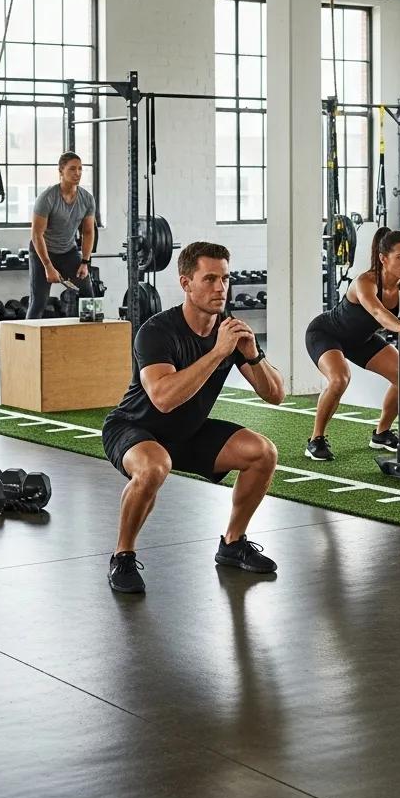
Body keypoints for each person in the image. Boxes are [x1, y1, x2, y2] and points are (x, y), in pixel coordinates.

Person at [101, 241, 286, 594]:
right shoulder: (156, 331)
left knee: (262, 453)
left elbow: (275, 395)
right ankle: (122, 556)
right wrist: (218, 353)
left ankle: (232, 543)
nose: (220, 288)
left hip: (188, 432)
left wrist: (252, 354)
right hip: (134, 427)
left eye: (226, 279)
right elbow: (164, 398)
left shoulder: (230, 331)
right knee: (155, 466)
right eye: (210, 279)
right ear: (186, 283)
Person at [304, 228, 400, 462]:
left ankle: (382, 433)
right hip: (327, 333)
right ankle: (316, 440)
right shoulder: (365, 282)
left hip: (361, 340)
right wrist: (397, 325)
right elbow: (377, 311)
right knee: (339, 379)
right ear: (383, 258)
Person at [27, 151, 95, 318]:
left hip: (68, 252)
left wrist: (85, 262)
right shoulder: (47, 198)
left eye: (80, 169)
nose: (77, 173)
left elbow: (88, 231)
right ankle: (25, 343)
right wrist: (48, 266)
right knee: (39, 302)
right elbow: (37, 234)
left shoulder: (87, 199)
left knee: (88, 295)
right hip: (42, 251)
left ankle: (89, 340)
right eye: (72, 169)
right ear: (61, 171)